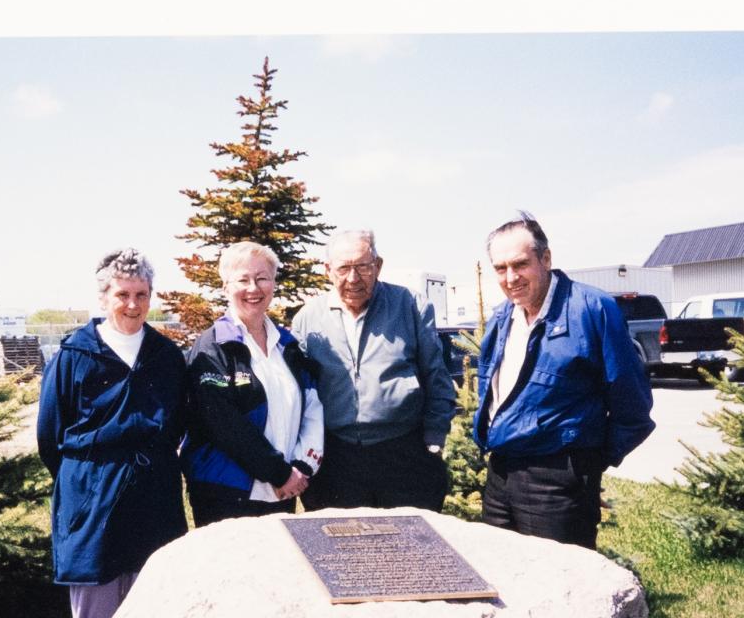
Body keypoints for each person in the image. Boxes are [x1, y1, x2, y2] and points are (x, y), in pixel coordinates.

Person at [36, 248, 188, 618]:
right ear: (104, 298)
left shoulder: (165, 356)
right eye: (123, 294)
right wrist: (87, 479)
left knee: (153, 610)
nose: (133, 305)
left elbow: (178, 423)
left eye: (142, 294)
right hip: (92, 499)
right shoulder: (74, 355)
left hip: (153, 499)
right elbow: (50, 436)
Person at [473, 212, 655, 549]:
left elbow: (632, 407)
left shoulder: (592, 309)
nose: (510, 277)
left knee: (558, 591)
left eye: (520, 264)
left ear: (545, 258)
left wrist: (585, 466)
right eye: (500, 268)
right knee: (503, 584)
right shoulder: (502, 317)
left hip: (558, 482)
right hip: (500, 476)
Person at [291, 229, 455, 511]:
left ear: (378, 266)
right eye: (343, 268)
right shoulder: (308, 317)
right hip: (336, 455)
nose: (353, 278)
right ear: (328, 270)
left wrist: (435, 438)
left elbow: (436, 374)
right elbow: (301, 392)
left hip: (403, 451)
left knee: (411, 546)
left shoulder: (411, 306)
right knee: (340, 547)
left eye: (363, 267)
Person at [182, 241, 324, 524]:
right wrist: (279, 472)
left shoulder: (289, 346)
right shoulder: (212, 348)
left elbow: (312, 409)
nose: (253, 288)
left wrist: (300, 467)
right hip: (225, 493)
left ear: (273, 283)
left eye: (262, 278)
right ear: (225, 287)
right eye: (243, 279)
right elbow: (225, 424)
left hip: (281, 492)